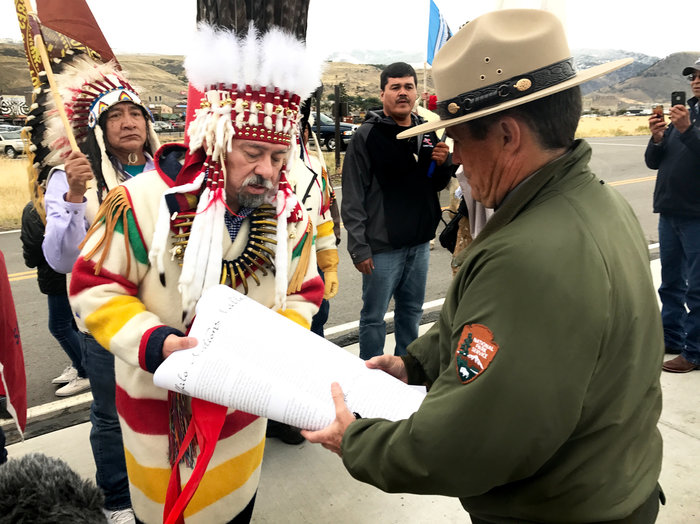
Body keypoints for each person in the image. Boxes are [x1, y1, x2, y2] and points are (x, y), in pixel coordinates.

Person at [304, 10, 664, 523]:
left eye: (460, 138)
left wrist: (356, 441)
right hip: (608, 489)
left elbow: (465, 441)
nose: (456, 158)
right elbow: (488, 332)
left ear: (508, 136)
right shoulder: (597, 203)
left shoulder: (525, 256)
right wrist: (417, 364)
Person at [69, 24, 323, 524]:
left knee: (233, 508)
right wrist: (157, 342)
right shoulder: (139, 203)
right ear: (215, 140)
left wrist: (272, 340)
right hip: (155, 416)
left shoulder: (291, 219)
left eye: (277, 157)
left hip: (242, 422)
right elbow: (92, 286)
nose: (268, 172)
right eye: (252, 153)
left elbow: (305, 291)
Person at [26, 52, 162, 523]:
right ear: (99, 129)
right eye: (115, 116)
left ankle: (164, 481)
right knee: (109, 415)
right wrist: (77, 196)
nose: (128, 123)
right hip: (104, 322)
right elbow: (60, 259)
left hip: (164, 317)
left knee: (164, 405)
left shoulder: (168, 172)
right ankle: (119, 500)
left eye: (135, 114)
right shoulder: (70, 178)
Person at [341, 62, 453, 360]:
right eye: (395, 87)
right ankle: (370, 376)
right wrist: (359, 247)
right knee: (374, 317)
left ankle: (407, 370)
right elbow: (352, 196)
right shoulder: (367, 136)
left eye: (408, 86)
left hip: (419, 243)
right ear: (382, 93)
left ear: (416, 91)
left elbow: (432, 183)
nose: (403, 93)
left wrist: (444, 164)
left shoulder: (427, 133)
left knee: (411, 312)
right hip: (382, 247)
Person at [644, 56, 700, 373]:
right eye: (693, 75)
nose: (696, 80)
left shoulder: (686, 122)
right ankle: (671, 339)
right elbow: (654, 162)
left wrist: (687, 131)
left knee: (697, 288)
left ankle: (695, 351)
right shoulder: (684, 113)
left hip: (697, 215)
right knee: (671, 283)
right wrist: (657, 138)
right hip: (670, 211)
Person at [20, 201, 88, 397]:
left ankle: (85, 372)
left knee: (58, 326)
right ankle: (79, 365)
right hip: (73, 269)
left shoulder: (34, 209)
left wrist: (30, 260)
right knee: (74, 323)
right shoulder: (68, 203)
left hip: (54, 273)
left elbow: (32, 247)